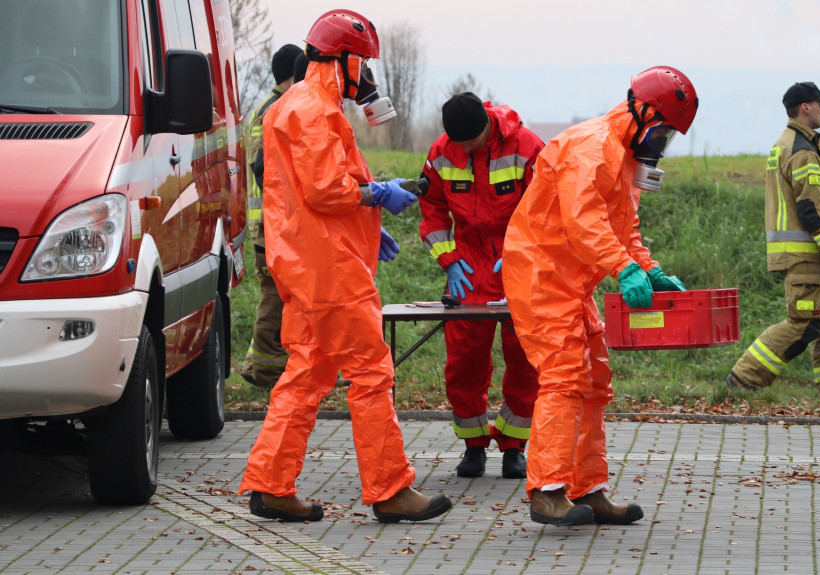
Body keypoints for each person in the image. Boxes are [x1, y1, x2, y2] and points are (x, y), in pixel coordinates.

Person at [238, 9, 452, 524]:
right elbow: (327, 189)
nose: (368, 77)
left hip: (311, 262)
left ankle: (270, 484)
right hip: (330, 270)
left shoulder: (298, 105)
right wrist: (378, 194)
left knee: (307, 374)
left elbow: (309, 196)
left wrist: (368, 221)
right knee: (372, 370)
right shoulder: (313, 109)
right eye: (365, 65)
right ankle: (389, 489)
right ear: (346, 60)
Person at [502, 66, 697, 526]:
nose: (661, 144)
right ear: (644, 111)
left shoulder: (627, 160)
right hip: (541, 275)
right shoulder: (591, 147)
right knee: (565, 378)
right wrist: (624, 267)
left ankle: (587, 489)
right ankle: (547, 490)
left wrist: (650, 269)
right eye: (664, 131)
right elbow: (583, 220)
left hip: (572, 281)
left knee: (594, 383)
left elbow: (623, 229)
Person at [418, 92, 543, 479]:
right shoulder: (442, 151)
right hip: (469, 267)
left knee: (525, 359)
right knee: (464, 360)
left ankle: (514, 446)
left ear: (487, 127)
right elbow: (432, 210)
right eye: (457, 144)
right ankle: (473, 446)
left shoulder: (527, 147)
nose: (463, 150)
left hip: (518, 262)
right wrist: (450, 260)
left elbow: (545, 206)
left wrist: (523, 251)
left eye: (469, 143)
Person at [726, 82, 820, 395]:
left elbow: (815, 194)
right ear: (805, 108)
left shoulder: (788, 145)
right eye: (819, 104)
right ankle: (743, 381)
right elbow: (811, 208)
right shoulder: (801, 151)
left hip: (808, 254)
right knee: (804, 323)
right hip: (807, 254)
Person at [237, 43, 303, 389]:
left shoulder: (262, 108)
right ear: (294, 74)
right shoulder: (276, 110)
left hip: (266, 224)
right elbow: (268, 171)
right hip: (273, 225)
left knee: (274, 297)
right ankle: (265, 373)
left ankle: (253, 364)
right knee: (274, 302)